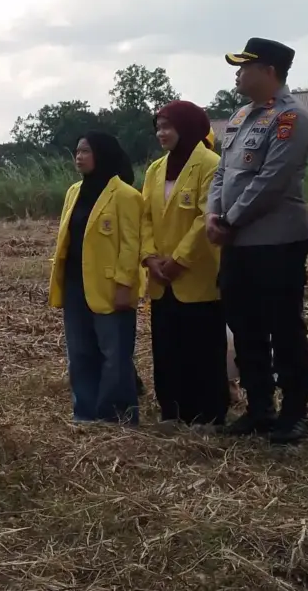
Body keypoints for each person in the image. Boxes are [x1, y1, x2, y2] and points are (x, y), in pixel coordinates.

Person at [209, 37, 308, 444]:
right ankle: (259, 407)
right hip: (237, 243)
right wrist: (212, 214)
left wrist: (230, 219)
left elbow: (273, 180)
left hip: (277, 241)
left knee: (283, 327)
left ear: (269, 71)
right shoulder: (240, 117)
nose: (237, 74)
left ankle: (295, 411)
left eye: (244, 66)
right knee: (244, 325)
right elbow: (223, 172)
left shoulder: (291, 119)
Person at [140, 100, 229, 426]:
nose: (161, 133)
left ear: (188, 127)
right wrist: (150, 257)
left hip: (196, 274)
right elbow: (145, 217)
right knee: (167, 347)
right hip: (161, 278)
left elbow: (206, 217)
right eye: (158, 127)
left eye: (168, 127)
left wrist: (178, 261)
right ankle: (172, 411)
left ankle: (208, 415)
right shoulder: (155, 169)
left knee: (202, 348)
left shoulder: (211, 164)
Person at [48, 132, 143, 425]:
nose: (79, 157)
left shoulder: (126, 195)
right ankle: (85, 412)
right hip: (75, 284)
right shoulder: (73, 192)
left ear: (102, 154)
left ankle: (116, 414)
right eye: (77, 151)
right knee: (80, 352)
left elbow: (131, 244)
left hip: (111, 286)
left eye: (86, 151)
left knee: (114, 354)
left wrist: (124, 284)